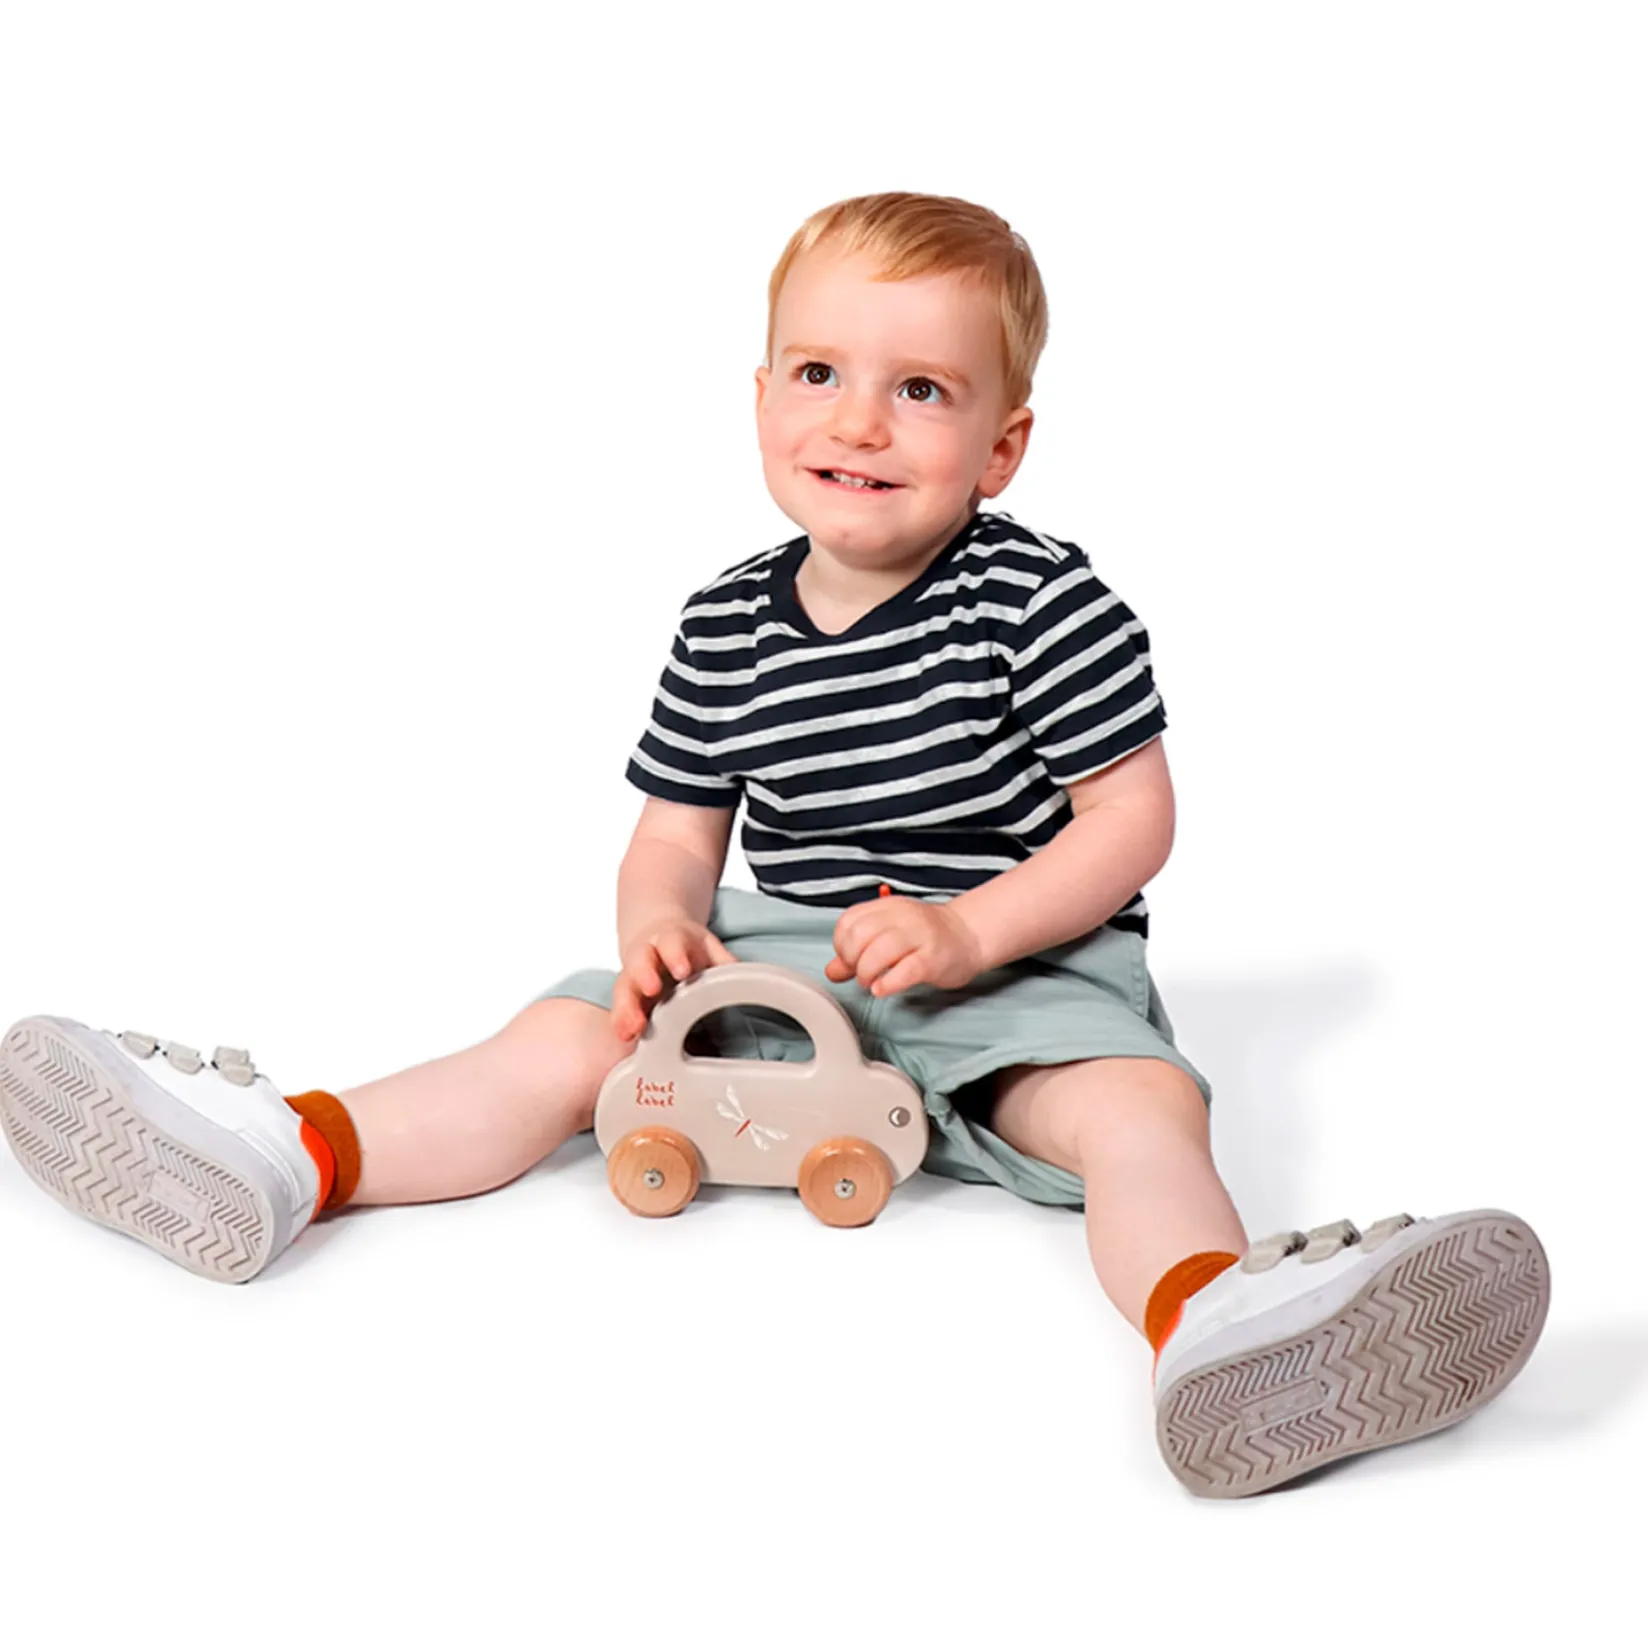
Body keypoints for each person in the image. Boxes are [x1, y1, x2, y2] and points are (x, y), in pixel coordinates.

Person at [0, 190, 1549, 1498]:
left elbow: (1131, 820)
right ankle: (294, 1156)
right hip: (789, 962)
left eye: (921, 390)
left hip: (1019, 966)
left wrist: (970, 929)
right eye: (818, 371)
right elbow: (677, 831)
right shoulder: (725, 621)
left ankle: (1218, 1323)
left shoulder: (1043, 601)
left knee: (1135, 1112)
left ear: (1003, 446)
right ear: (758, 402)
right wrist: (658, 926)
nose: (858, 419)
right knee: (555, 1044)